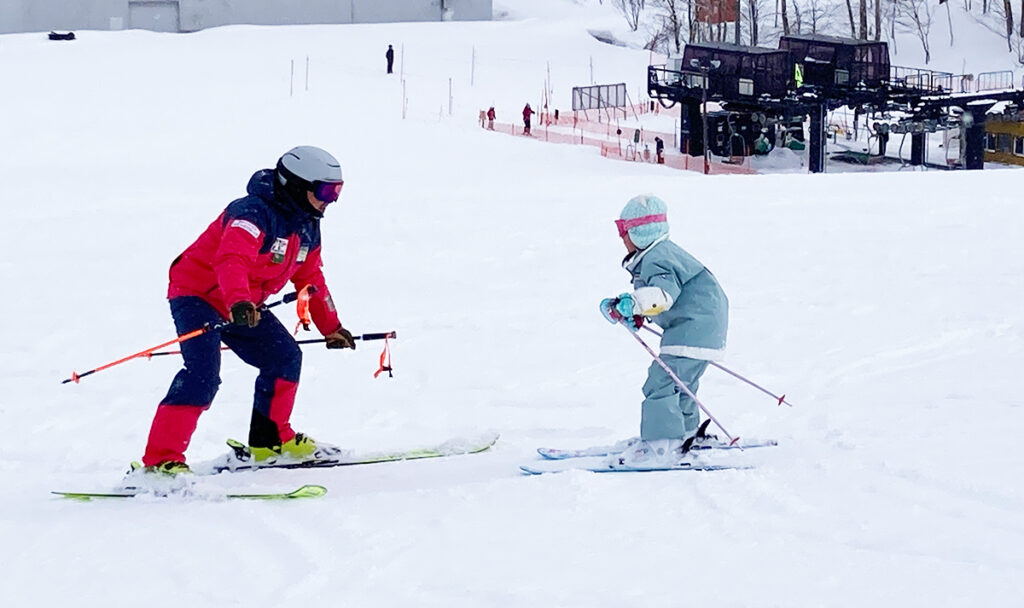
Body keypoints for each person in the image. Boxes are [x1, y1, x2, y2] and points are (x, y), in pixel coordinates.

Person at [138, 146, 356, 475]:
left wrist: (332, 327)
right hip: (199, 295)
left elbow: (310, 278)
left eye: (337, 191)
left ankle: (271, 443)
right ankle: (160, 463)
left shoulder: (307, 225)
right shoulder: (252, 213)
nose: (332, 200)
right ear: (297, 185)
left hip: (243, 303)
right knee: (203, 375)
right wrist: (239, 301)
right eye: (326, 190)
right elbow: (231, 259)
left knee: (284, 357)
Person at [599, 195, 729, 467]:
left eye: (624, 231)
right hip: (701, 326)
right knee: (681, 383)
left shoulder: (658, 258)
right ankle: (685, 434)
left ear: (640, 232)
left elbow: (662, 295)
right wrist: (635, 312)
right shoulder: (658, 255)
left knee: (661, 382)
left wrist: (634, 303)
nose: (622, 238)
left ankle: (662, 445)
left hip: (693, 326)